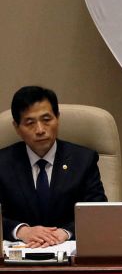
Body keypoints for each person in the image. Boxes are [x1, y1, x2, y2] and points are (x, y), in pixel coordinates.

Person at [1, 86, 107, 245]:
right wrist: (21, 230)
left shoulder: (83, 160)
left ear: (57, 118)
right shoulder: (3, 163)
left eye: (46, 120)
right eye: (30, 123)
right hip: (19, 253)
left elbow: (98, 212)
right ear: (17, 127)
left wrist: (65, 232)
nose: (40, 130)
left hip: (68, 252)